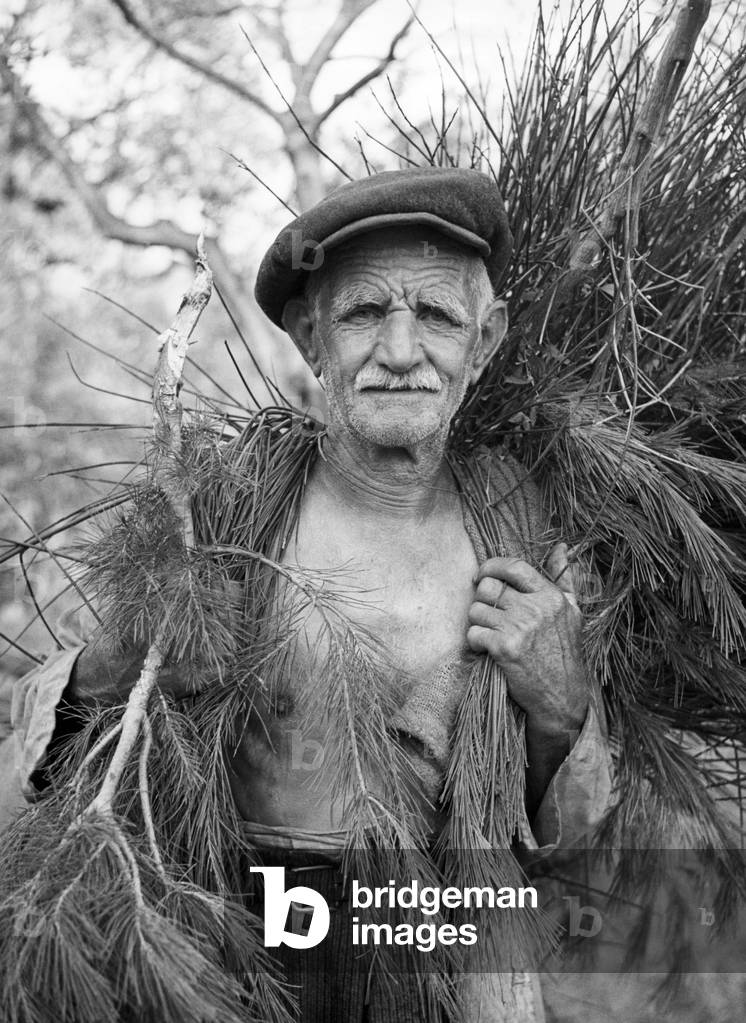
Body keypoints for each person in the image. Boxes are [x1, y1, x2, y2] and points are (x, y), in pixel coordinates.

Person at [9, 167, 612, 1022]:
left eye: (437, 316)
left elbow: (584, 851)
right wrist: (111, 664)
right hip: (232, 963)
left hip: (447, 969)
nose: (401, 352)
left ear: (484, 342)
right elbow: (37, 765)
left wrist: (561, 710)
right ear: (310, 334)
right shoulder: (215, 518)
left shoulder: (531, 538)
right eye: (365, 312)